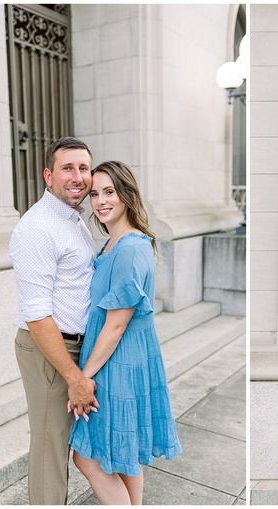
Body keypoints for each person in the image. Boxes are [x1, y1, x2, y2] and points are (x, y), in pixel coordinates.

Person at [68, 161, 182, 505]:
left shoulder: (130, 248)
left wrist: (81, 380)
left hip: (117, 361)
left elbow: (116, 325)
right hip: (124, 356)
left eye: (109, 192)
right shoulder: (117, 242)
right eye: (94, 194)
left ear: (126, 195)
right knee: (125, 453)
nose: (100, 201)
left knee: (86, 456)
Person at [9, 137, 99, 504]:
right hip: (51, 348)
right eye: (67, 168)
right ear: (48, 176)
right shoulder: (36, 228)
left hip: (78, 344)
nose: (78, 177)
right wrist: (73, 376)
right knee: (50, 450)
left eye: (84, 168)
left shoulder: (73, 218)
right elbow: (36, 313)